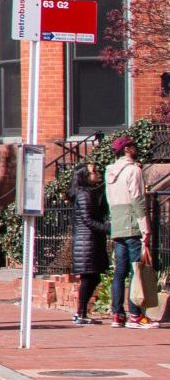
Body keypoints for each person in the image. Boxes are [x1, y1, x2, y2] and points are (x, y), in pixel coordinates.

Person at [104, 135, 150, 327]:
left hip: (117, 223)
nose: (135, 147)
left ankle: (117, 314)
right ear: (125, 150)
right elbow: (138, 200)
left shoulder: (109, 172)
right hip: (132, 222)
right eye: (131, 146)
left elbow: (109, 200)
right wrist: (145, 228)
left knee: (119, 272)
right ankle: (135, 315)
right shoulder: (133, 170)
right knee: (135, 270)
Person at [69, 164, 108, 324]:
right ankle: (80, 313)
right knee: (88, 277)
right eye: (94, 172)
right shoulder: (84, 195)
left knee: (93, 277)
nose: (97, 173)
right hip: (87, 241)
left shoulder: (87, 193)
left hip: (88, 240)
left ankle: (82, 312)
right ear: (85, 176)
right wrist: (108, 229)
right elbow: (88, 220)